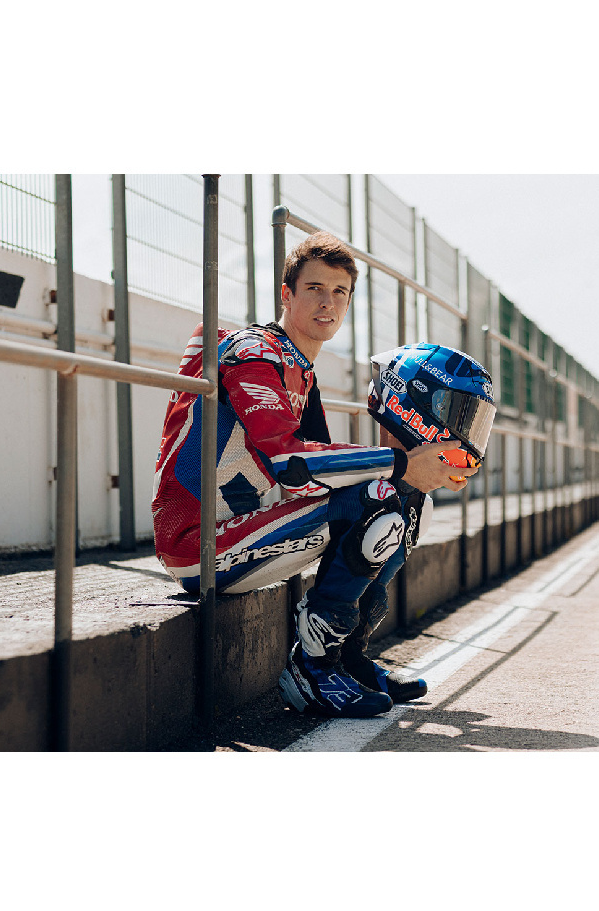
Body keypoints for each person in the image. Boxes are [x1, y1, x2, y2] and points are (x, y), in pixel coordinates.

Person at [152, 231, 494, 719]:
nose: (327, 303)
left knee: (406, 496)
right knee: (381, 495)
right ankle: (311, 670)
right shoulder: (252, 353)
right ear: (286, 295)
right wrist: (399, 464)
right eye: (314, 288)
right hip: (198, 545)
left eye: (339, 292)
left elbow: (320, 477)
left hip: (243, 529)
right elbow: (290, 463)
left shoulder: (301, 369)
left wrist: (417, 471)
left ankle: (348, 658)